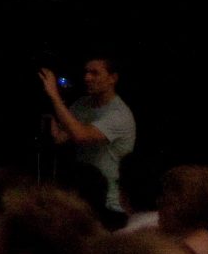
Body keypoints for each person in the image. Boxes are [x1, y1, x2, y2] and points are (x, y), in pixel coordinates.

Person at [39, 55, 136, 215]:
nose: (87, 78)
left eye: (95, 73)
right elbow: (61, 137)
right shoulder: (82, 104)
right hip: (84, 195)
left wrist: (54, 96)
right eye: (86, 72)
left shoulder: (118, 113)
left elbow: (81, 135)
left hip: (110, 202)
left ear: (113, 78)